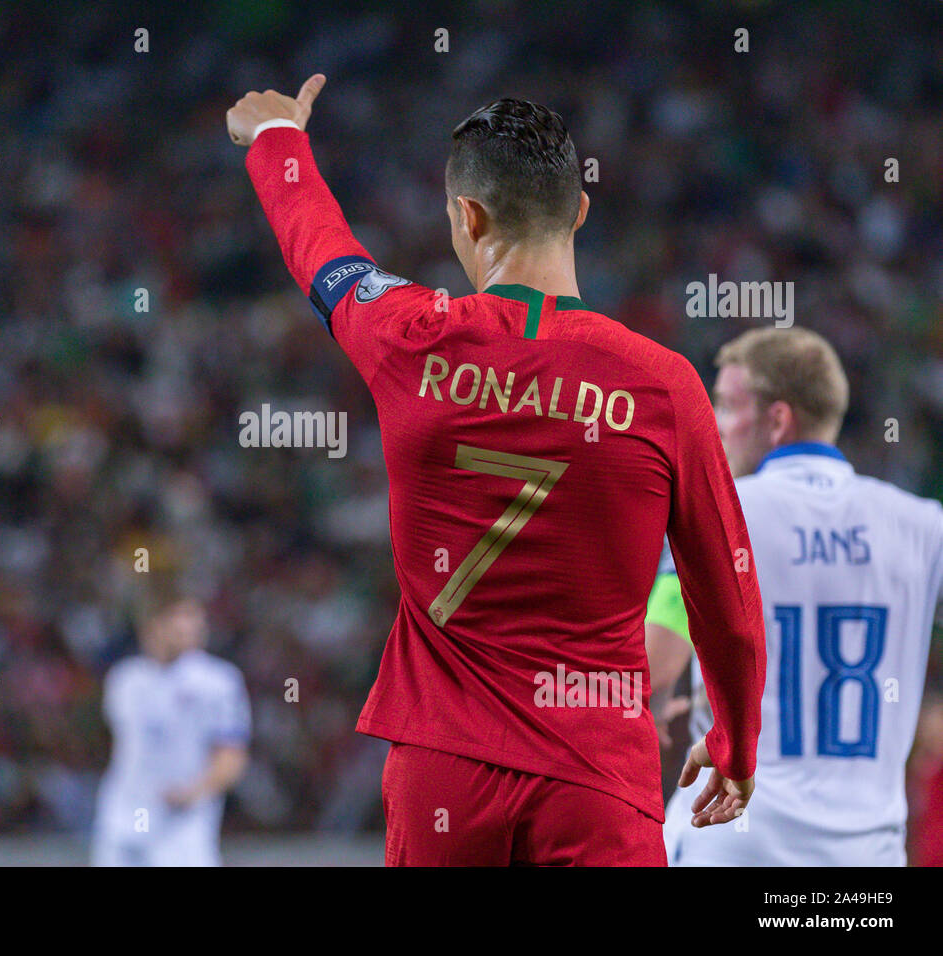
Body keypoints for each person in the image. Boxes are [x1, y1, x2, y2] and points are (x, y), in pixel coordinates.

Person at [228, 76, 766, 865]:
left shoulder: (410, 336)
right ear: (580, 211)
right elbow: (727, 594)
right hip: (596, 779)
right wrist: (735, 741)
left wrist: (279, 139)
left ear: (466, 216)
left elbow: (323, 252)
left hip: (443, 771)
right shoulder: (663, 385)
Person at [651, 327, 943, 865]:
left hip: (733, 837)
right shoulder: (923, 525)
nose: (713, 427)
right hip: (867, 859)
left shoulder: (719, 511)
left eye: (725, 407)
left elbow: (655, 665)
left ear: (778, 420)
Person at [90, 597, 251, 866]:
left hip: (181, 827)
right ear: (152, 625)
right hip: (122, 818)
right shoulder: (124, 679)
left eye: (195, 617)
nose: (191, 626)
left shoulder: (218, 681)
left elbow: (231, 755)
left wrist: (193, 792)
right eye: (181, 617)